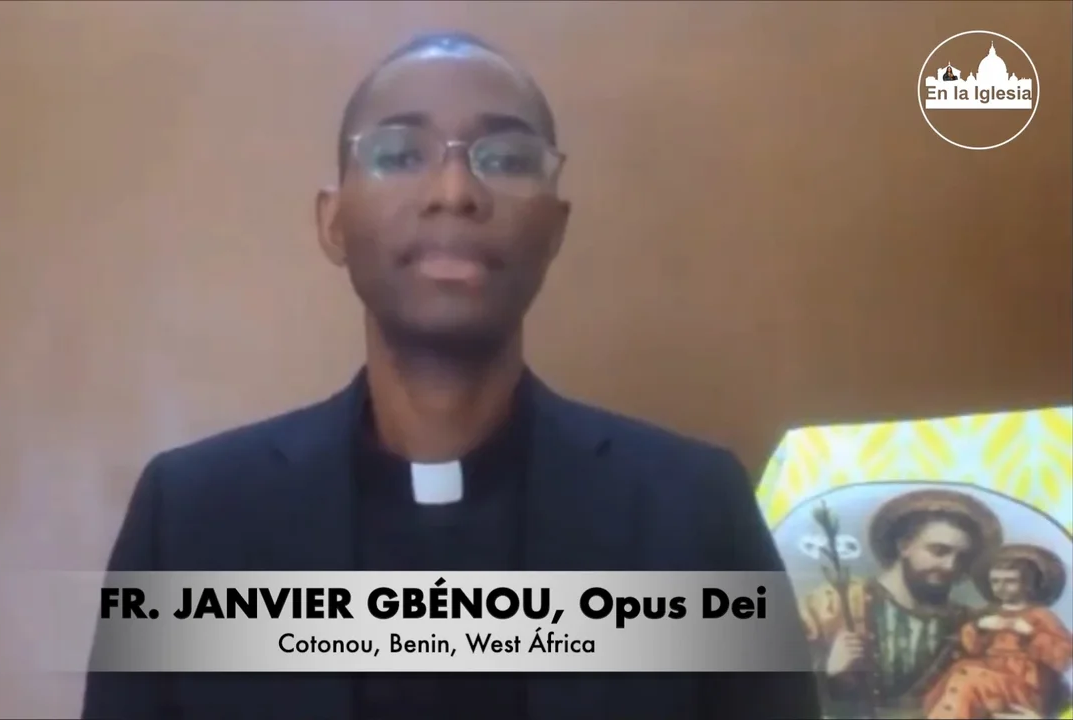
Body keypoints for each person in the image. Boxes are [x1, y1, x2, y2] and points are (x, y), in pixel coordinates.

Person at [82, 31, 820, 720]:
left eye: (505, 158)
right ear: (333, 222)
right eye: (401, 154)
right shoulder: (191, 520)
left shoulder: (693, 514)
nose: (455, 191)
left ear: (555, 228)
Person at [799, 488, 1002, 717]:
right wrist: (829, 672)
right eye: (939, 551)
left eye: (961, 558)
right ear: (904, 545)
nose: (950, 566)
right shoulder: (834, 603)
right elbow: (774, 689)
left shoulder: (969, 624)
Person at [923, 543, 1073, 719]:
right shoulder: (989, 613)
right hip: (986, 676)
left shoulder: (1039, 615)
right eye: (995, 581)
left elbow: (1063, 658)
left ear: (1027, 584)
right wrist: (979, 628)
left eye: (1010, 581)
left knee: (968, 677)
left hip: (1023, 685)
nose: (1001, 587)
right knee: (958, 676)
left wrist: (1030, 634)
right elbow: (972, 648)